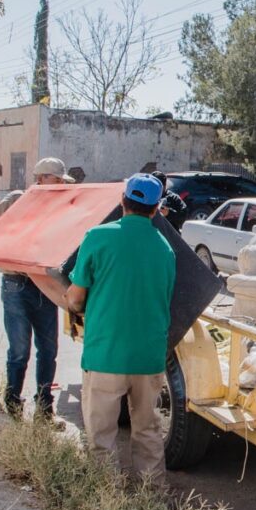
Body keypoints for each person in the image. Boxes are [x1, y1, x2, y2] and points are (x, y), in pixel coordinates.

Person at [64, 174, 175, 482]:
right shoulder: (165, 249)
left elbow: (75, 297)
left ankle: (107, 500)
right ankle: (152, 498)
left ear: (122, 201)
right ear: (155, 209)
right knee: (148, 431)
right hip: (148, 357)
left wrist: (74, 304)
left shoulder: (98, 237)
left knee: (102, 435)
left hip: (105, 353)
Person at [0, 157, 74, 421]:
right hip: (16, 283)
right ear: (41, 178)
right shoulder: (17, 200)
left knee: (49, 349)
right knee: (20, 349)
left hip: (46, 284)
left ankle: (44, 407)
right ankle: (12, 400)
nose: (59, 186)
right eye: (56, 180)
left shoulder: (61, 205)